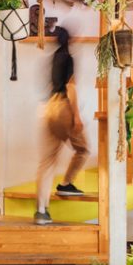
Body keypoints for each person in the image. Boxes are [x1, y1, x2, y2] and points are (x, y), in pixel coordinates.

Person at [34, 27, 90, 225]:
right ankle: (66, 183)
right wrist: (76, 116)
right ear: (70, 40)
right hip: (63, 108)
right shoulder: (68, 57)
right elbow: (71, 86)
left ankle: (41, 211)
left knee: (47, 162)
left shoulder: (54, 57)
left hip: (48, 108)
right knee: (83, 150)